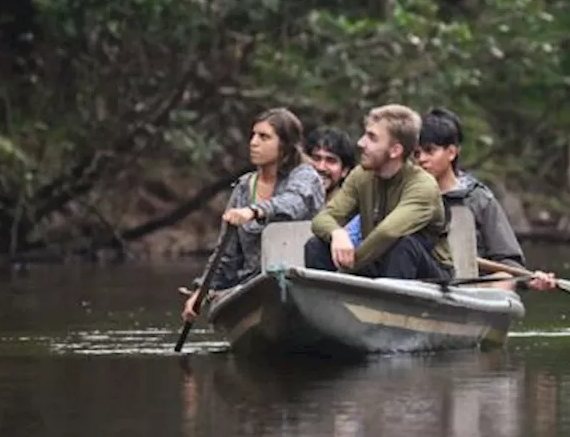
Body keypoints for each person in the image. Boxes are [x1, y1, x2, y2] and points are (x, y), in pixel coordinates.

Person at [182, 108, 325, 321]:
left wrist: (254, 211)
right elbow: (226, 254)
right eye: (253, 135)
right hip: (252, 286)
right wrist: (201, 292)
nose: (253, 142)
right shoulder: (243, 188)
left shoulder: (305, 176)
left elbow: (294, 203)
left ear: (285, 145)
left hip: (301, 283)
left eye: (264, 137)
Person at [304, 104, 452, 283]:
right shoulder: (362, 175)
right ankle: (323, 307)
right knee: (316, 246)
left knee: (404, 245)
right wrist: (337, 233)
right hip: (376, 262)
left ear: (395, 150)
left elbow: (387, 233)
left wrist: (347, 270)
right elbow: (322, 219)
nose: (361, 143)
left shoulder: (423, 185)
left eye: (372, 138)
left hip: (428, 275)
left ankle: (390, 310)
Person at [415, 107, 555, 292]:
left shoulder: (478, 199)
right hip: (425, 281)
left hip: (471, 285)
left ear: (451, 153)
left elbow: (509, 260)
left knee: (503, 277)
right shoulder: (407, 194)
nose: (422, 160)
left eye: (429, 151)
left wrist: (528, 280)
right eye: (416, 154)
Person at [305, 126, 362, 245]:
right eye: (316, 158)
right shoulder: (295, 202)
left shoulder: (352, 212)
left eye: (330, 160)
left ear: (344, 171)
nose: (320, 167)